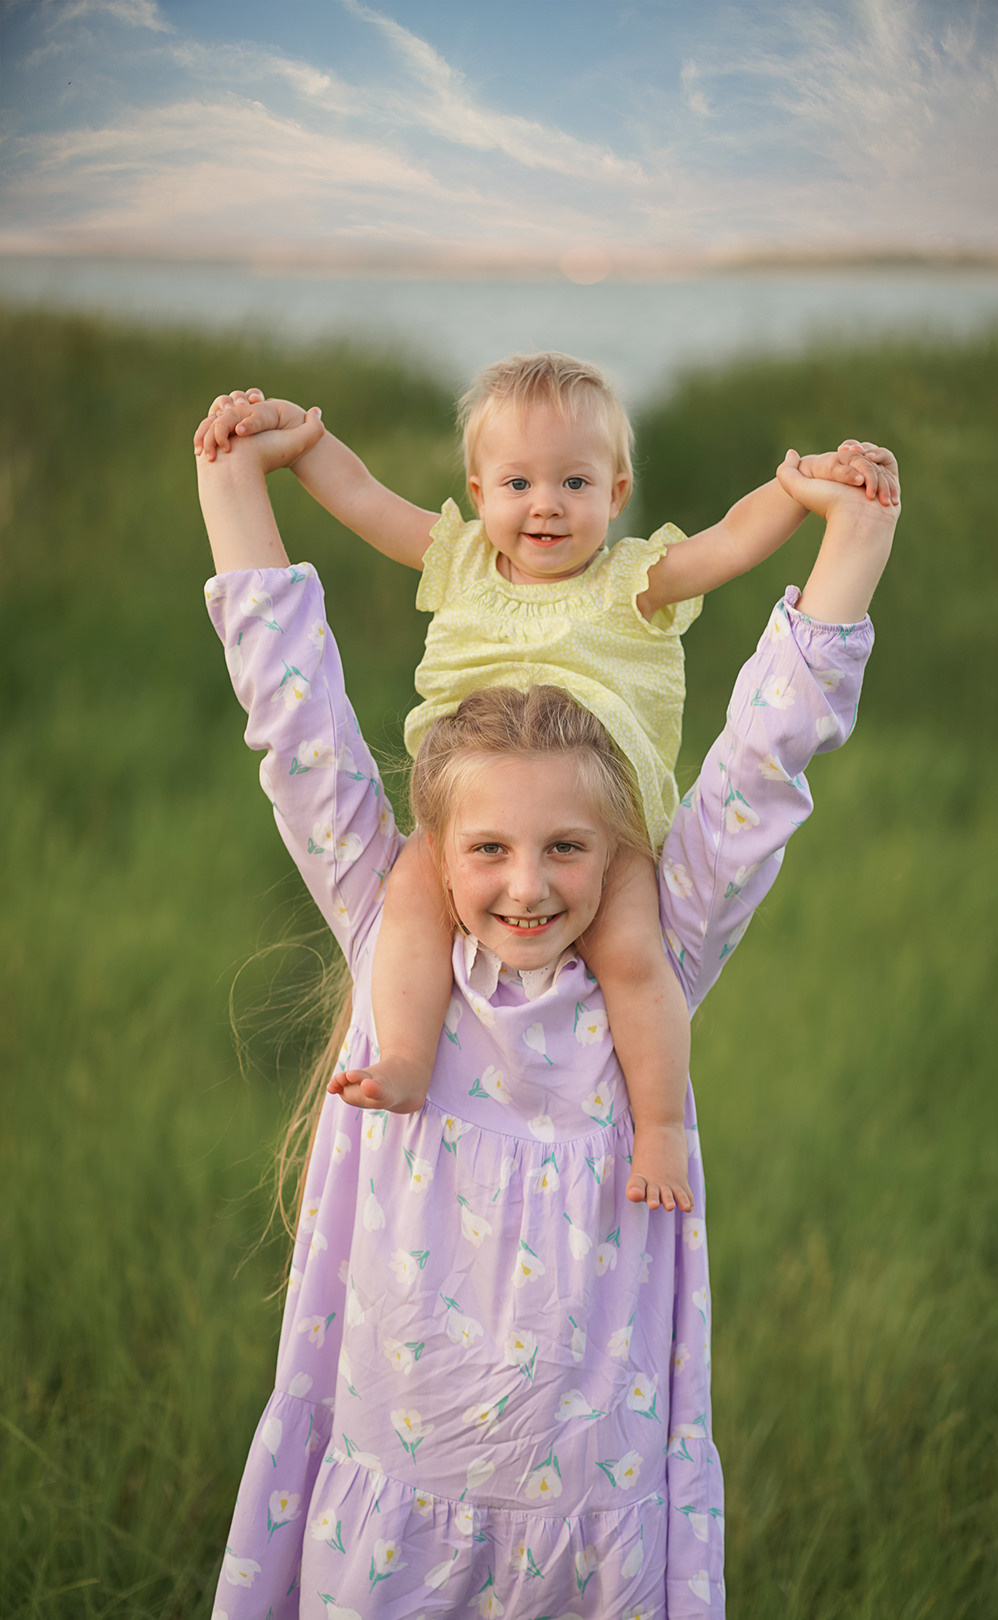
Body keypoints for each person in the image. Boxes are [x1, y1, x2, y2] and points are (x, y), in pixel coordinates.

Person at [195, 398, 899, 1616]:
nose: (528, 888)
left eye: (570, 847)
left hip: (590, 1499)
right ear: (437, 843)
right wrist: (236, 480)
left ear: (620, 848)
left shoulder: (656, 952)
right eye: (489, 851)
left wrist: (853, 536)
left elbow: (767, 754)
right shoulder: (391, 920)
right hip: (398, 1474)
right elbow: (291, 707)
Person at [196, 355, 897, 1217]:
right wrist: (300, 443)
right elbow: (366, 496)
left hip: (608, 825)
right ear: (479, 489)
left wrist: (802, 488)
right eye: (519, 482)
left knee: (640, 962)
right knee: (411, 905)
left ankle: (661, 1126)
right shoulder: (456, 561)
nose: (546, 504)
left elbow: (730, 538)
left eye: (575, 481)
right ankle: (407, 1057)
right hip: (459, 808)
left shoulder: (633, 580)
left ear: (617, 490)